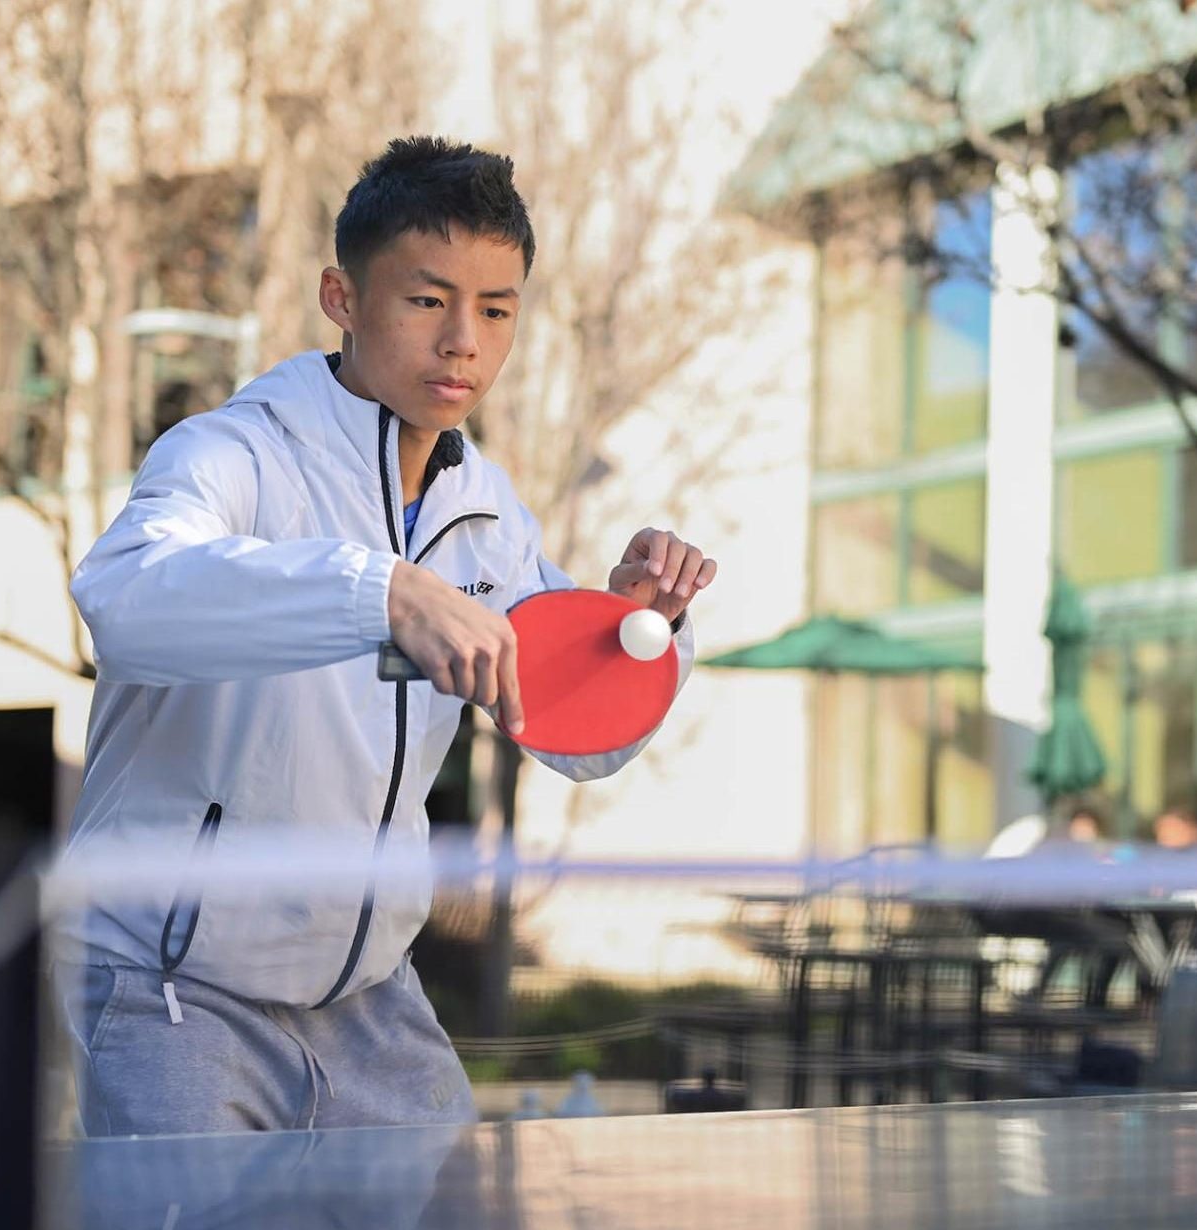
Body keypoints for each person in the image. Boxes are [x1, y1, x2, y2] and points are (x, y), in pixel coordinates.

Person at [53, 137, 716, 1138]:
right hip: (172, 985)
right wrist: (380, 593)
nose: (464, 341)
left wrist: (638, 630)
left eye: (496, 310)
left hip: (372, 1001)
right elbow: (125, 599)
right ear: (342, 297)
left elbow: (576, 739)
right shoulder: (230, 453)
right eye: (425, 300)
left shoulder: (490, 517)